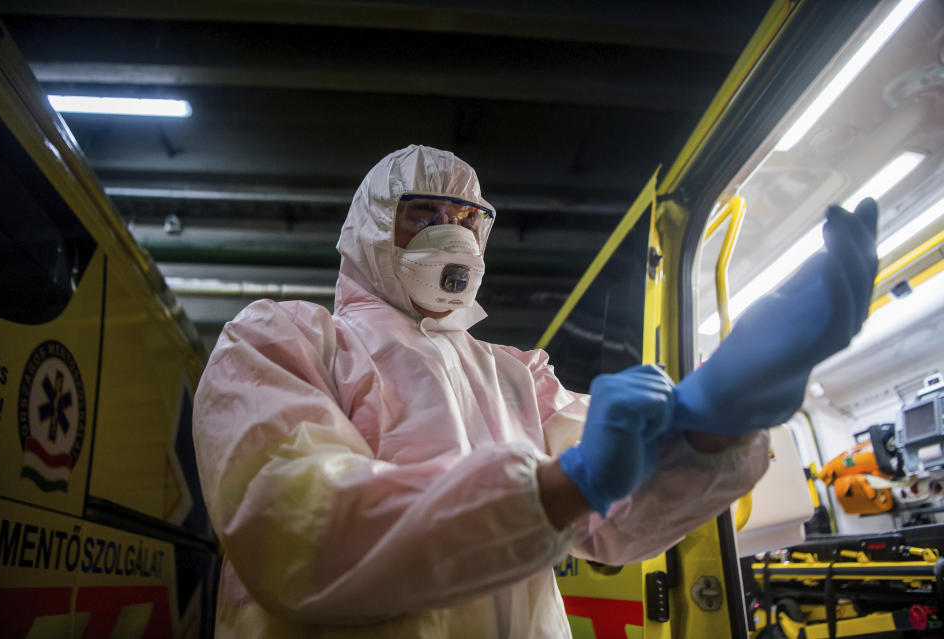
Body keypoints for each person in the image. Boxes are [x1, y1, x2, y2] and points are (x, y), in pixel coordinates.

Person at [193, 145, 877, 638]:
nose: (451, 233)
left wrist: (714, 424)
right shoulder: (280, 340)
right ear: (372, 227)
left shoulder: (520, 375)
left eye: (465, 218)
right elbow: (294, 524)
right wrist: (554, 487)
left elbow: (613, 520)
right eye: (423, 213)